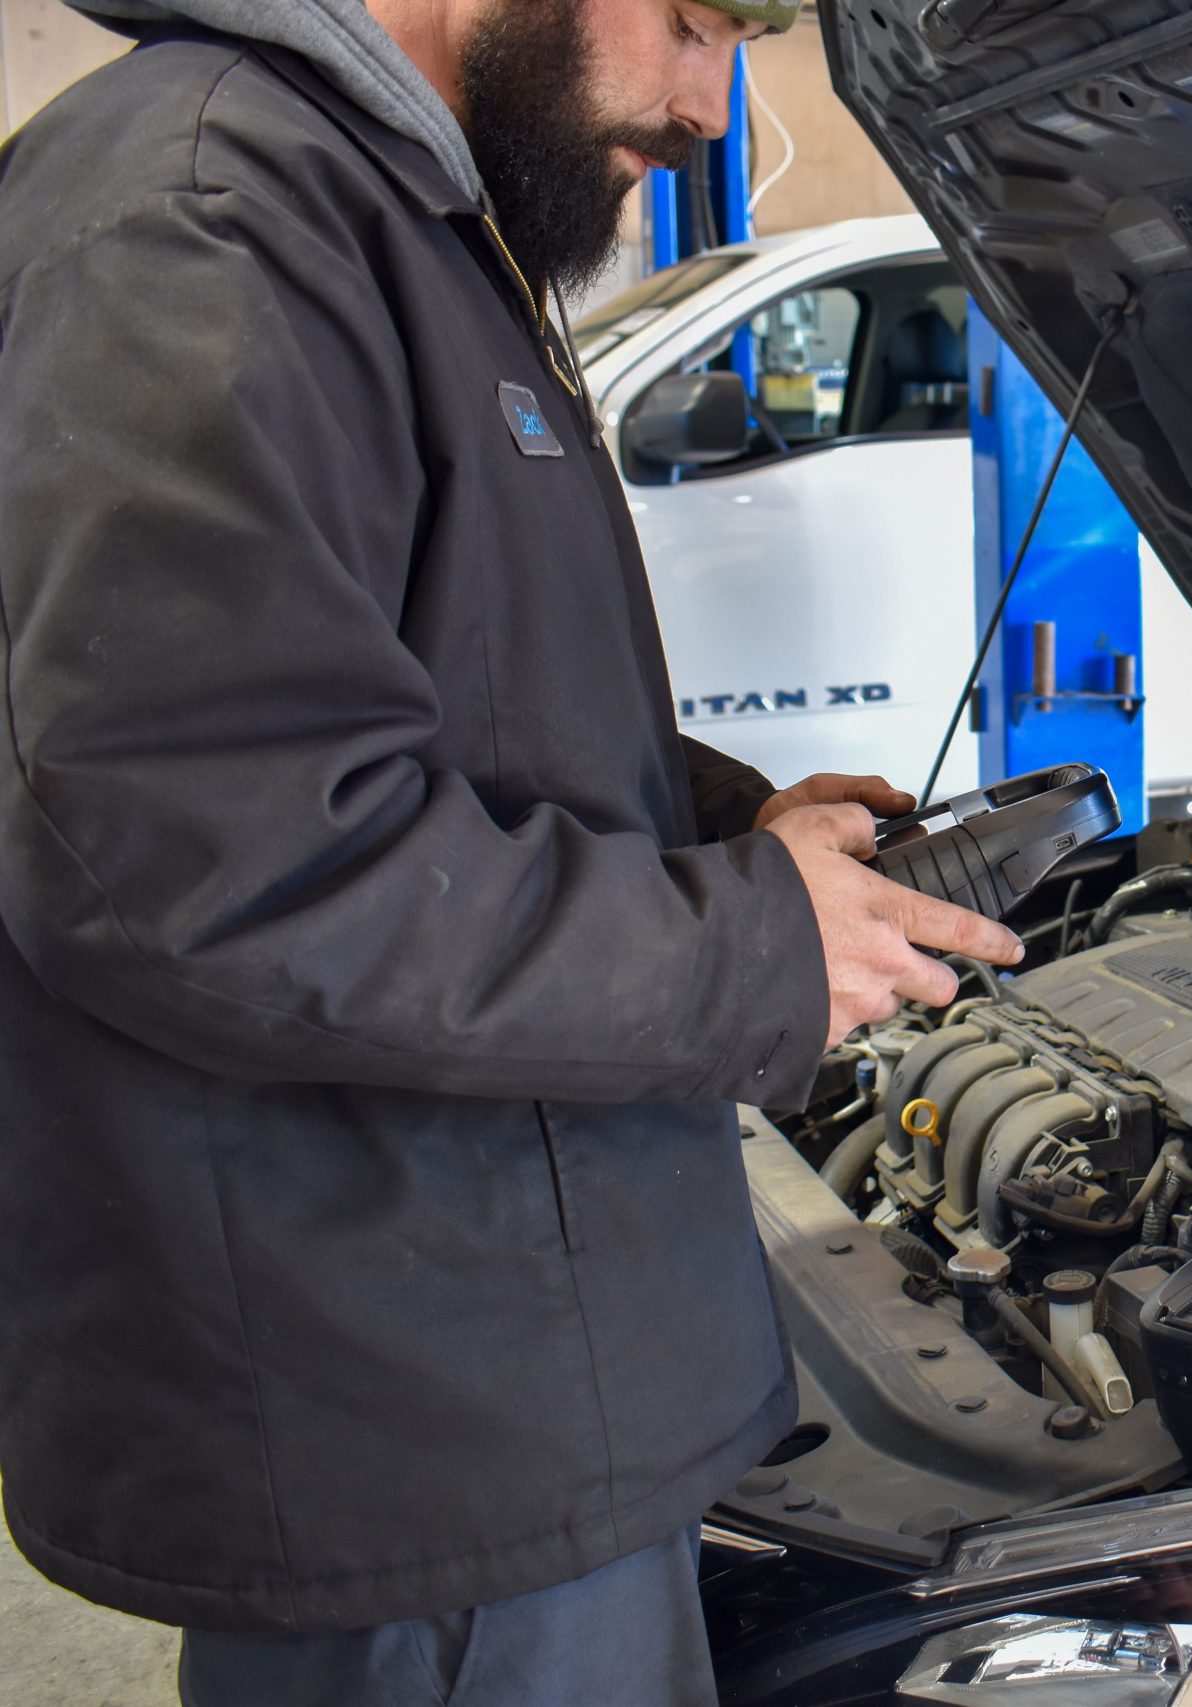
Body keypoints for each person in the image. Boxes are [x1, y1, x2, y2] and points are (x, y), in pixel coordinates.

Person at [0, 2, 1024, 1701]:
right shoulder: (216, 214)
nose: (714, 105)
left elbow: (445, 713)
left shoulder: (380, 202)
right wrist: (753, 948)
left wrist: (733, 831)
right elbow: (213, 865)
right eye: (700, 21)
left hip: (501, 1378)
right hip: (419, 1433)